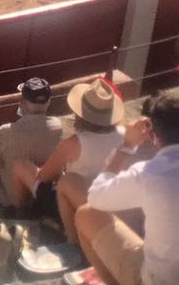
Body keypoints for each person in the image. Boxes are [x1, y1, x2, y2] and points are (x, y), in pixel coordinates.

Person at [76, 91, 179, 285]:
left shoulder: (148, 175)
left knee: (85, 214)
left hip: (164, 281)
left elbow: (95, 196)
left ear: (153, 134)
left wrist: (126, 145)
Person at [10, 76, 125, 243]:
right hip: (111, 207)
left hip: (77, 206)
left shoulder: (74, 143)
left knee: (21, 166)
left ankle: (20, 214)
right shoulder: (125, 134)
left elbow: (43, 177)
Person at [0, 77, 62, 212]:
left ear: (23, 102)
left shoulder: (6, 131)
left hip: (9, 196)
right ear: (48, 102)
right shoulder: (58, 126)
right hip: (40, 191)